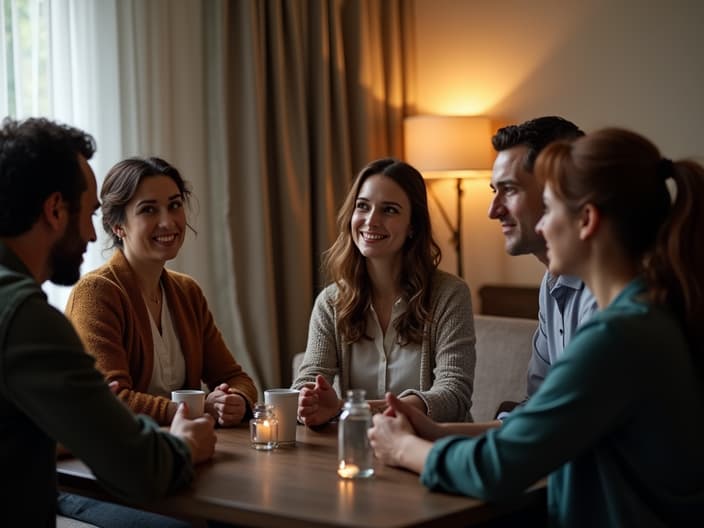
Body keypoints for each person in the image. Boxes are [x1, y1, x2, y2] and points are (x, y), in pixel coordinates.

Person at [369, 128, 704, 526]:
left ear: (586, 221)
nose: (543, 228)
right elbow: (538, 427)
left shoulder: (618, 335)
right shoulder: (643, 313)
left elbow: (499, 467)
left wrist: (403, 447)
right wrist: (435, 431)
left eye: (549, 209)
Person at [0, 117, 216, 526]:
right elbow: (139, 466)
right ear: (54, 210)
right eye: (91, 213)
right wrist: (185, 444)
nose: (90, 235)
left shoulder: (185, 291)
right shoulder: (26, 319)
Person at [65, 157, 258, 427]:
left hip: (188, 446)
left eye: (175, 205)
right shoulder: (96, 293)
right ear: (117, 226)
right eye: (148, 210)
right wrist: (197, 407)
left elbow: (237, 379)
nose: (168, 222)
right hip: (125, 455)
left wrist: (235, 400)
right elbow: (109, 399)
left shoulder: (187, 291)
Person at [292, 158, 475, 425]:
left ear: (413, 225)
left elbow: (453, 395)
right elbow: (308, 380)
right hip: (358, 450)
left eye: (389, 210)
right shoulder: (330, 302)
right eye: (362, 206)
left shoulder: (450, 295)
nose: (371, 220)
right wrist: (307, 401)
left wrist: (349, 407)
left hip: (432, 450)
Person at [489, 116, 597, 399]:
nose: (493, 210)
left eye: (509, 189)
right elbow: (537, 408)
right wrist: (436, 433)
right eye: (494, 191)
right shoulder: (551, 287)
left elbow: (563, 427)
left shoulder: (608, 299)